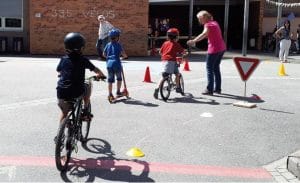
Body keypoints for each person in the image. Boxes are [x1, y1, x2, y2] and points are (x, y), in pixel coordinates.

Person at [56, 32, 105, 123]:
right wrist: (101, 75)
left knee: (64, 112)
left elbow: (59, 70)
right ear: (81, 47)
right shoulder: (83, 59)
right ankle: (85, 109)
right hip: (76, 91)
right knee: (88, 83)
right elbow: (95, 69)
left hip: (61, 92)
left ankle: (60, 135)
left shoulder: (63, 59)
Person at [187, 10, 226, 95]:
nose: (199, 21)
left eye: (199, 19)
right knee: (216, 68)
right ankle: (218, 89)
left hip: (214, 49)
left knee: (209, 69)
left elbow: (204, 34)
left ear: (204, 17)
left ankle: (209, 89)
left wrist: (194, 41)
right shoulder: (214, 23)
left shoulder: (208, 25)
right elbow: (209, 34)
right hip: (222, 48)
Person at [153, 28, 185, 99]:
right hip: (172, 61)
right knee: (177, 74)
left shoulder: (165, 43)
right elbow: (182, 52)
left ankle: (157, 89)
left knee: (164, 76)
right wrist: (184, 54)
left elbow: (160, 52)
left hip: (164, 61)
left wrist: (165, 55)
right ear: (176, 37)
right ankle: (177, 87)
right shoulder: (176, 44)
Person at [103, 28, 128, 101]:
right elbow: (124, 54)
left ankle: (110, 94)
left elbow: (103, 54)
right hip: (117, 63)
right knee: (119, 78)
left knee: (110, 80)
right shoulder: (118, 45)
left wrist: (108, 58)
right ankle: (118, 91)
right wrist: (125, 57)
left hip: (109, 64)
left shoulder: (108, 45)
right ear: (117, 37)